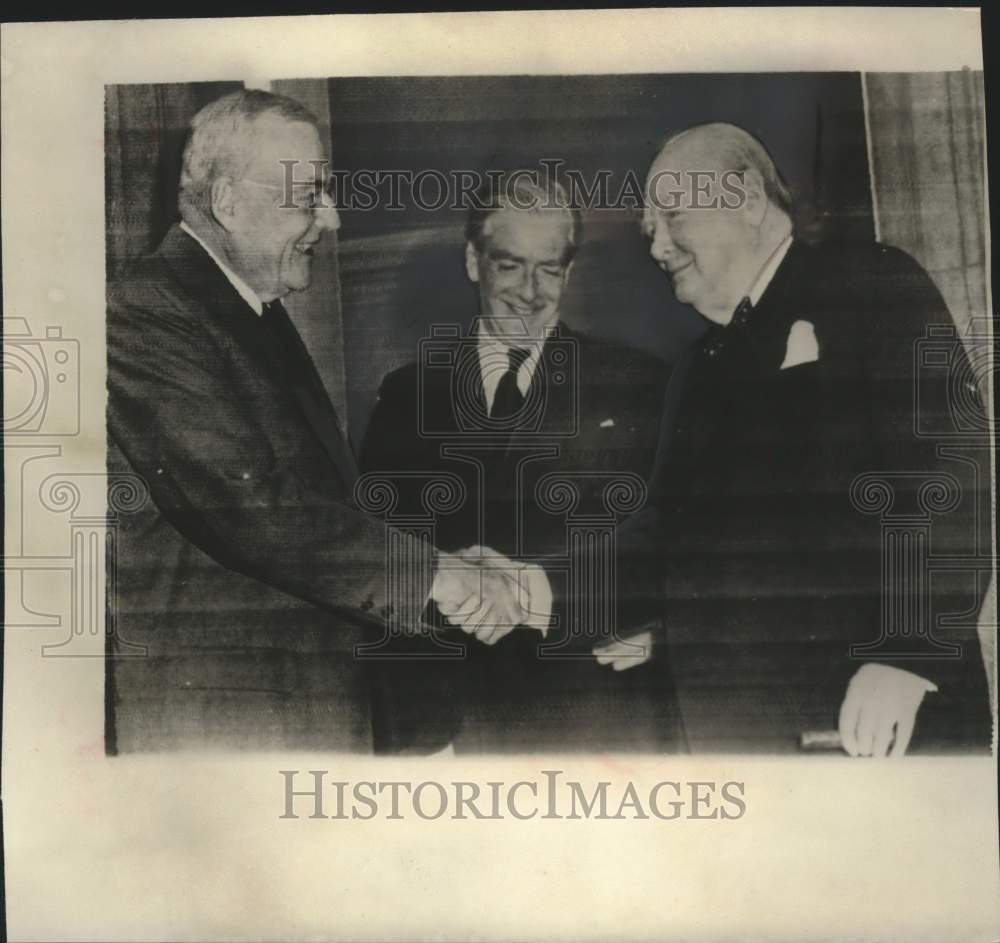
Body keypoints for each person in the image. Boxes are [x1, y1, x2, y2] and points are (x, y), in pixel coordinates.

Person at [106, 89, 528, 753]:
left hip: (303, 709)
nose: (329, 219)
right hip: (227, 730)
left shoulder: (254, 311)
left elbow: (324, 505)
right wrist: (435, 575)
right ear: (228, 204)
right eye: (309, 196)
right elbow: (256, 509)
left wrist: (440, 558)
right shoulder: (142, 312)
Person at [628, 121, 990, 755]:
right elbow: (664, 534)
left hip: (872, 727)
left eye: (673, 215)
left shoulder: (872, 284)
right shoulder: (693, 371)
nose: (657, 244)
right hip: (738, 748)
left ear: (742, 198)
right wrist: (531, 588)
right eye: (648, 229)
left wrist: (909, 654)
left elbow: (952, 469)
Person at [362, 171, 683, 753]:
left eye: (550, 268)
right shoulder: (407, 397)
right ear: (472, 261)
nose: (530, 292)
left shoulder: (639, 385)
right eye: (510, 265)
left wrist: (662, 633)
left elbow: (676, 549)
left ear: (570, 271)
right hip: (453, 734)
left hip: (596, 724)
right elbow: (378, 558)